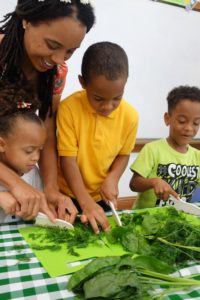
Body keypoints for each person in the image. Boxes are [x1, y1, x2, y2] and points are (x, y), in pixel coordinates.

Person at [0, 0, 95, 222]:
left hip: (18, 172)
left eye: (70, 51)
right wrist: (15, 183)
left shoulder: (56, 72)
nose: (58, 60)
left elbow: (47, 130)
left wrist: (51, 188)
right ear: (27, 20)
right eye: (52, 45)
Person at [56, 41, 139, 233]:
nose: (108, 106)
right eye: (98, 99)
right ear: (83, 82)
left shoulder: (130, 116)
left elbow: (123, 155)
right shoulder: (68, 108)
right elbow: (67, 160)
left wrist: (113, 178)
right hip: (69, 194)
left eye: (117, 98)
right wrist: (84, 201)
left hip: (102, 196)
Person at [129, 86, 200, 209]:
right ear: (167, 119)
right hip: (147, 220)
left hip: (181, 221)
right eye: (182, 121)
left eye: (196, 123)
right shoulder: (152, 149)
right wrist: (153, 182)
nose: (189, 128)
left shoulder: (197, 156)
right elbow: (134, 184)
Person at [0, 80, 55, 223]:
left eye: (39, 150)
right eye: (29, 151)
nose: (36, 157)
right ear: (1, 144)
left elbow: (40, 208)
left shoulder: (33, 173)